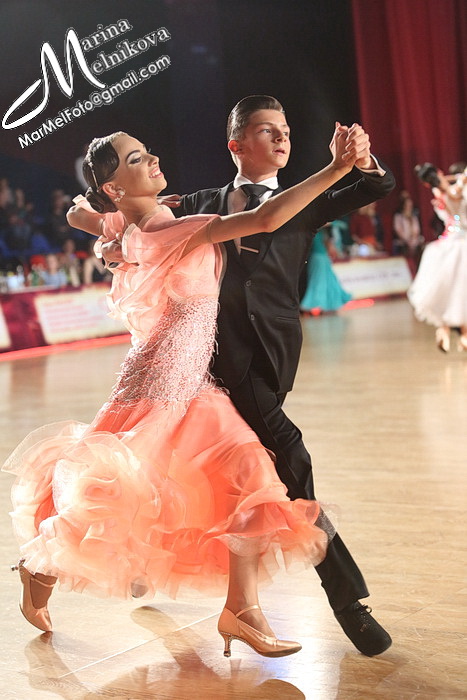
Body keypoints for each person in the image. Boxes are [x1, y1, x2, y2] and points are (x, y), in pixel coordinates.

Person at [4, 128, 360, 659]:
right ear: (114, 186)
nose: (152, 158)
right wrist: (335, 170)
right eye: (136, 158)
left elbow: (102, 222)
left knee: (251, 475)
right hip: (152, 389)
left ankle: (242, 610)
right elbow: (266, 219)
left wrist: (91, 221)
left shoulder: (135, 225)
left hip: (196, 386)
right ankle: (39, 566)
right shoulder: (170, 231)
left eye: (147, 151)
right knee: (112, 499)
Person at [163, 95, 395, 656]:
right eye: (267, 130)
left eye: (285, 129)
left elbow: (378, 186)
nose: (282, 138)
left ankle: (147, 569)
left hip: (272, 360)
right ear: (236, 144)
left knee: (217, 478)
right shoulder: (200, 203)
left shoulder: (303, 202)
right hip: (212, 364)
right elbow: (145, 225)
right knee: (293, 466)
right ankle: (349, 606)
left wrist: (363, 159)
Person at [409, 163, 467, 353]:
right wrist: (462, 180)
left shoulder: (437, 191)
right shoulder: (453, 190)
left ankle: (446, 330)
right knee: (460, 291)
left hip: (449, 242)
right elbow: (455, 196)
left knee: (453, 291)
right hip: (460, 242)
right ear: (440, 173)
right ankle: (461, 335)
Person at [300, 225, 352, 314]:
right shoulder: (318, 232)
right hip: (319, 258)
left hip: (320, 257)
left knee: (326, 281)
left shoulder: (320, 232)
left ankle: (324, 305)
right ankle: (320, 305)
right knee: (321, 281)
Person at [392, 191, 424, 275]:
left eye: (410, 205)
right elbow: (398, 230)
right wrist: (407, 240)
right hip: (403, 242)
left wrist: (413, 239)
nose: (409, 207)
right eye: (407, 205)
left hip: (414, 241)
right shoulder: (399, 217)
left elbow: (416, 230)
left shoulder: (414, 217)